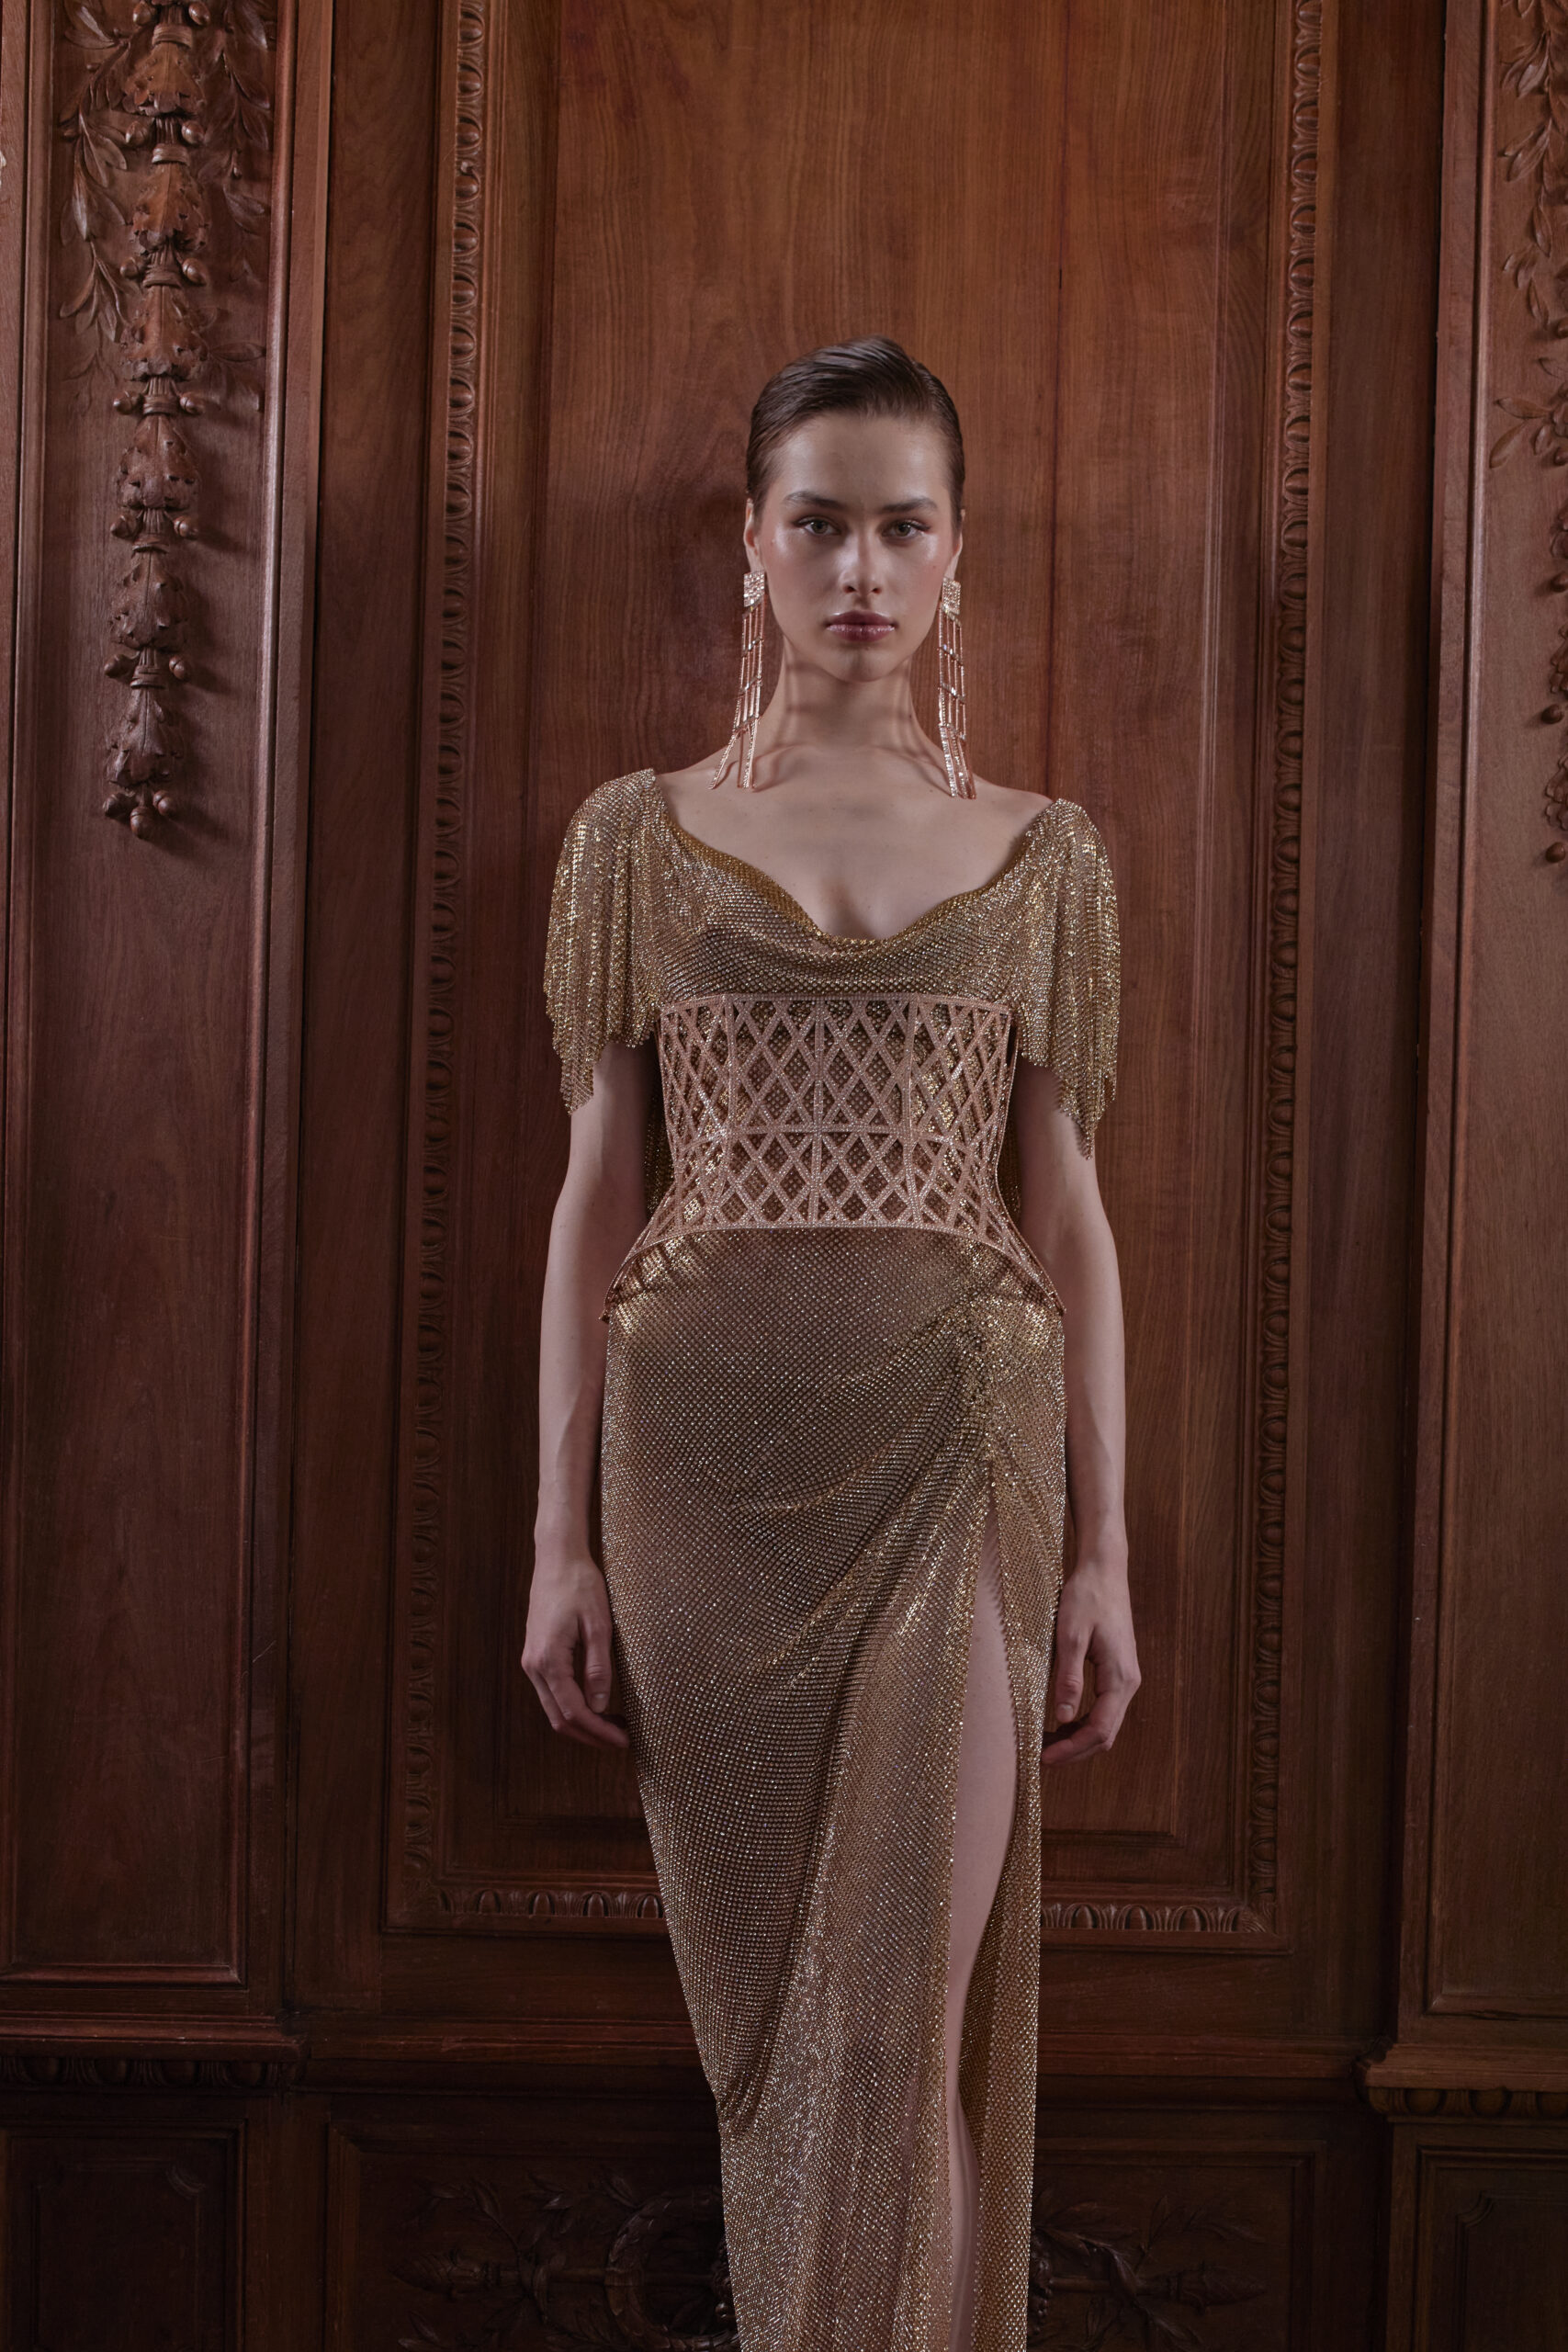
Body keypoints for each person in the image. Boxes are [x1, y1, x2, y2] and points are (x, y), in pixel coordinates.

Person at [523, 337, 1140, 2352]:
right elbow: (593, 1195)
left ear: (956, 553)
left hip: (956, 1442)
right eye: (820, 524)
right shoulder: (632, 838)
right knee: (783, 2053)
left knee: (892, 2030)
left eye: (900, 526)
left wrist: (1105, 1552)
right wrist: (555, 1541)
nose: (859, 569)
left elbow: (1067, 1214)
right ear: (753, 545)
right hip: (696, 1471)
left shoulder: (1047, 853)